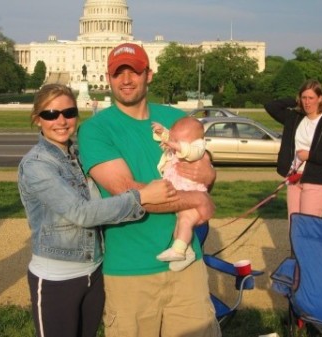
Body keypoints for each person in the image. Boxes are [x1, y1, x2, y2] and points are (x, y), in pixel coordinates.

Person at [78, 43, 221, 337]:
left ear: (149, 75)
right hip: (130, 271)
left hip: (186, 268)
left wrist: (211, 173)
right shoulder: (96, 129)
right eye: (119, 73)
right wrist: (197, 198)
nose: (126, 80)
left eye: (134, 71)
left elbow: (202, 168)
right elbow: (129, 193)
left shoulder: (176, 120)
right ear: (109, 77)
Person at [17, 83, 178, 337]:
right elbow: (81, 213)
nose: (61, 121)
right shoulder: (36, 164)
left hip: (93, 273)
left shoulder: (79, 155)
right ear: (38, 119)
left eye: (69, 113)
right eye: (50, 114)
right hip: (56, 279)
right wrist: (142, 196)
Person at [264, 79, 322, 220]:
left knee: (308, 226)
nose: (307, 102)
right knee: (294, 225)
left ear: (320, 98)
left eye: (311, 98)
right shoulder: (295, 118)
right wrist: (295, 100)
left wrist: (311, 156)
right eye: (304, 98)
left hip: (316, 180)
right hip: (294, 179)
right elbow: (271, 106)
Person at [152, 116, 208, 272]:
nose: (173, 142)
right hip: (183, 197)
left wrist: (174, 144)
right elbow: (171, 139)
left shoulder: (197, 147)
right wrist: (162, 131)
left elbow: (192, 151)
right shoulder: (175, 148)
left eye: (178, 140)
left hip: (193, 198)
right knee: (180, 227)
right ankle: (187, 252)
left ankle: (178, 250)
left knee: (184, 222)